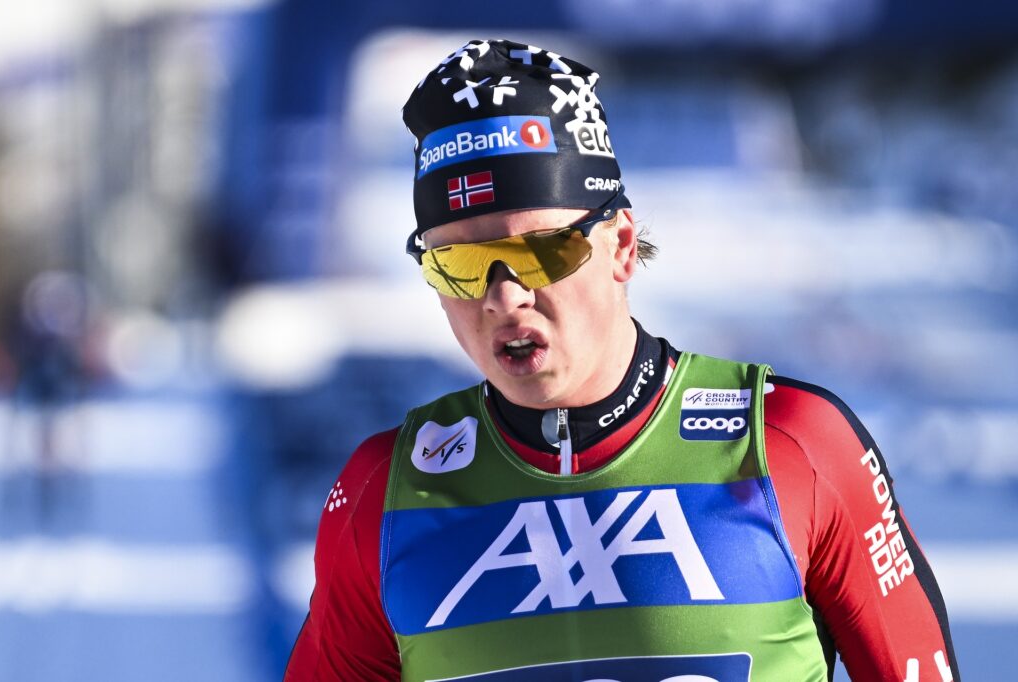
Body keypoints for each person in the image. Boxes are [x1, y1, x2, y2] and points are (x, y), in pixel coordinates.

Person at [285, 39, 958, 681]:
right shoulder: (382, 493)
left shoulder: (795, 443)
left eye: (541, 252)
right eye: (458, 264)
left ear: (622, 245)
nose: (504, 297)